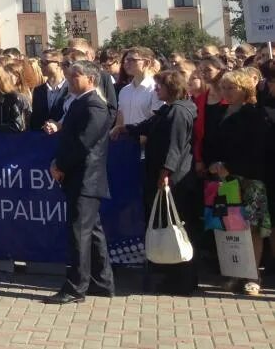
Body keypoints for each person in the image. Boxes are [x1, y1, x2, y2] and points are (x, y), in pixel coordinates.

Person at [116, 69, 198, 294]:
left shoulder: (179, 112)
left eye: (159, 86)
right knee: (165, 225)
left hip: (175, 178)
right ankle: (169, 275)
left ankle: (184, 279)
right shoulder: (166, 110)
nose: (156, 90)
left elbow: (176, 146)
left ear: (171, 87)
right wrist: (125, 128)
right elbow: (147, 126)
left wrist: (166, 172)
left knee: (178, 226)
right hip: (160, 174)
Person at [47, 61, 116, 304]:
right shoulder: (79, 103)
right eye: (69, 76)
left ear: (91, 79)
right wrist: (58, 161)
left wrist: (61, 165)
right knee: (92, 231)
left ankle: (76, 287)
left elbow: (83, 143)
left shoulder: (95, 106)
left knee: (80, 233)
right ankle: (102, 282)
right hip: (79, 176)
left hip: (86, 177)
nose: (70, 80)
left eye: (76, 76)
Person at [207, 69, 270, 296]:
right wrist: (213, 163)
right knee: (229, 227)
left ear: (244, 89)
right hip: (223, 179)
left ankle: (253, 276)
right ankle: (236, 271)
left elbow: (255, 148)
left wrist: (231, 167)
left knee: (251, 228)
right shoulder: (220, 112)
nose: (226, 92)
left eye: (231, 88)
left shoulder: (254, 114)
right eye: (223, 87)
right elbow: (211, 142)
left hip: (249, 178)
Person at [30, 58, 67, 131]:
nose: (41, 65)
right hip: (42, 137)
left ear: (58, 64)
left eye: (46, 62)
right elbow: (35, 118)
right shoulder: (38, 90)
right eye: (41, 62)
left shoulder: (70, 89)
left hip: (63, 136)